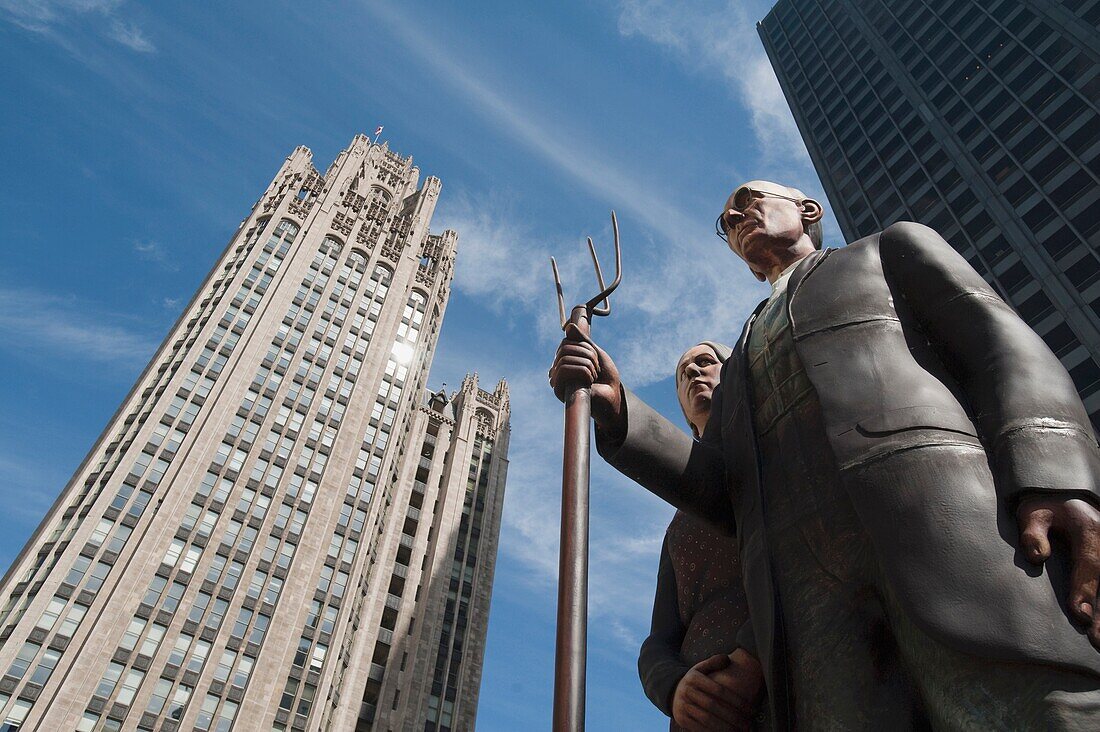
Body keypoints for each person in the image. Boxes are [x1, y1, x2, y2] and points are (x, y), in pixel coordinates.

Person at [550, 180, 1100, 729]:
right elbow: (723, 489)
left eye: (748, 199)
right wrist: (619, 409)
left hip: (950, 539)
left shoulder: (887, 252)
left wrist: (1058, 480)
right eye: (726, 220)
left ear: (807, 209)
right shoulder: (740, 364)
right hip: (815, 617)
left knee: (1042, 712)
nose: (737, 216)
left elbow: (1000, 346)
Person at [639, 341, 765, 731]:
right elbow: (659, 639)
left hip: (777, 684)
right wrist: (675, 688)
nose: (693, 372)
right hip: (697, 714)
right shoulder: (678, 522)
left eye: (706, 361)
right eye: (682, 373)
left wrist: (751, 658)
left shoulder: (773, 452)